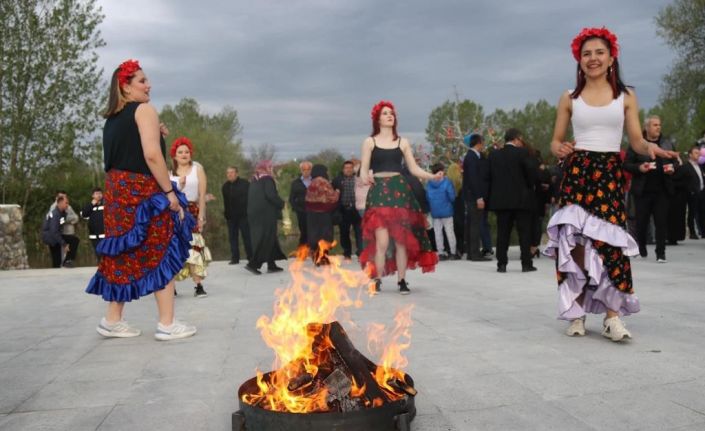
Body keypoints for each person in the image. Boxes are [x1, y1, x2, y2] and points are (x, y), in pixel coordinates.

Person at [545, 28, 677, 341]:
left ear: (610, 57)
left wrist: (651, 148)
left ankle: (612, 317)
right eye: (587, 53)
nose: (593, 58)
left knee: (611, 245)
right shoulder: (569, 97)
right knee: (575, 244)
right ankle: (575, 314)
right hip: (578, 173)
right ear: (580, 58)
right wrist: (559, 148)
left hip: (608, 174)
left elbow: (635, 140)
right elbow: (554, 141)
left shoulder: (626, 96)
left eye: (599, 52)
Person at [85, 59, 197, 341]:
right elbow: (150, 156)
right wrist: (169, 192)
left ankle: (112, 320)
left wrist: (156, 134)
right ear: (125, 87)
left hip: (116, 192)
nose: (149, 86)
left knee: (123, 250)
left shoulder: (111, 120)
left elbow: (127, 152)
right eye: (142, 81)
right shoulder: (144, 110)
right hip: (142, 190)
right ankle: (167, 323)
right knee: (162, 245)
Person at [359, 100, 441, 295]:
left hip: (399, 191)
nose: (390, 116)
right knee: (382, 242)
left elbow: (413, 169)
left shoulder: (402, 142)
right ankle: (377, 279)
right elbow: (363, 171)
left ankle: (402, 281)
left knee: (402, 240)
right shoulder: (369, 142)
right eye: (385, 113)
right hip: (379, 192)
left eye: (392, 113)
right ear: (377, 118)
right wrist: (366, 178)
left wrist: (432, 176)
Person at [623, 115, 677, 262]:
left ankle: (661, 253)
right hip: (643, 190)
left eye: (659, 125)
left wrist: (672, 168)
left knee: (661, 222)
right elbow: (626, 164)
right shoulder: (637, 144)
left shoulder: (667, 143)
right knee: (641, 222)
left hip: (662, 190)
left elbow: (676, 162)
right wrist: (640, 167)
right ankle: (641, 247)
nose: (658, 127)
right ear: (647, 127)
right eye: (654, 125)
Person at [487, 128, 538, 273]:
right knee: (524, 233)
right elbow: (530, 173)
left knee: (503, 233)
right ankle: (526, 263)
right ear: (516, 139)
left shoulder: (494, 155)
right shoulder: (523, 153)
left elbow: (489, 177)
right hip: (521, 200)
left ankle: (501, 264)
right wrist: (529, 187)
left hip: (501, 200)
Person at [169, 136, 212, 298]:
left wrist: (201, 217)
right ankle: (170, 286)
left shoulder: (197, 169)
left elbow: (202, 195)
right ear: (174, 155)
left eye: (187, 151)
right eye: (180, 152)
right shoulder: (168, 172)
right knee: (172, 249)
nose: (184, 154)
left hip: (192, 212)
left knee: (194, 248)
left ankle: (198, 285)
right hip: (174, 214)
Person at [246, 160, 286, 275]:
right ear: (266, 168)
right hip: (266, 214)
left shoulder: (254, 179)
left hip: (255, 214)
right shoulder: (267, 179)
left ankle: (271, 264)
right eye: (271, 167)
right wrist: (282, 203)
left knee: (270, 238)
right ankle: (253, 264)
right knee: (266, 238)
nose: (272, 169)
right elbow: (271, 195)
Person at [462, 133, 492, 262]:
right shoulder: (472, 157)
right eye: (482, 143)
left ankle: (471, 252)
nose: (483, 145)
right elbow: (474, 179)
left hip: (471, 195)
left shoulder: (472, 156)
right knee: (475, 224)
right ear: (478, 143)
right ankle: (474, 253)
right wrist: (479, 197)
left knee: (472, 224)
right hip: (474, 196)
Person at [306, 164, 340, 264]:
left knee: (314, 236)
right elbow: (333, 198)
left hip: (311, 215)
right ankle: (323, 258)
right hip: (324, 215)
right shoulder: (324, 182)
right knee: (325, 236)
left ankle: (316, 257)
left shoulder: (311, 183)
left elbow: (307, 199)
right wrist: (337, 191)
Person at [426, 162, 460, 261]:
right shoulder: (447, 182)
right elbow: (452, 197)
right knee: (449, 232)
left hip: (435, 212)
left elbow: (427, 197)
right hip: (447, 211)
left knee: (437, 233)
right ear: (441, 171)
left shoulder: (429, 183)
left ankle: (440, 253)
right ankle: (453, 252)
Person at [332, 160, 362, 260]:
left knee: (359, 232)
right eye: (346, 168)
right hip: (343, 210)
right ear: (343, 169)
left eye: (350, 168)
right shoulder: (337, 180)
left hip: (356, 209)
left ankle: (360, 252)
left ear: (353, 169)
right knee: (344, 233)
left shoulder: (358, 179)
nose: (348, 170)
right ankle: (347, 253)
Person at [222, 166, 252, 264]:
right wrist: (226, 214)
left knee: (247, 237)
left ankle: (251, 257)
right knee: (232, 238)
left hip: (243, 216)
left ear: (237, 173)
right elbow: (225, 202)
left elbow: (251, 199)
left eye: (232, 172)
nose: (230, 174)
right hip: (231, 217)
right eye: (228, 173)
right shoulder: (225, 187)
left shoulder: (245, 184)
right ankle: (235, 258)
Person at [49, 191, 80, 268]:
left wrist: (67, 219)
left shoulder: (68, 207)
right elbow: (59, 220)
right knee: (57, 259)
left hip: (68, 233)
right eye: (61, 197)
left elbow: (76, 217)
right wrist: (68, 220)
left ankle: (67, 261)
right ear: (57, 198)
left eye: (65, 197)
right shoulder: (53, 208)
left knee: (74, 242)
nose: (64, 199)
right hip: (56, 235)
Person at [42, 195, 69, 268]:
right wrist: (64, 244)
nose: (67, 205)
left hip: (56, 236)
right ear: (60, 203)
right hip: (51, 237)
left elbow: (60, 225)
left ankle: (68, 261)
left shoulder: (62, 213)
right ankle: (55, 273)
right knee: (56, 260)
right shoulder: (55, 214)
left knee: (74, 240)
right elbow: (54, 231)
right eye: (66, 203)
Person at [289, 161, 312, 247]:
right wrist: (297, 209)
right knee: (303, 231)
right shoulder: (296, 183)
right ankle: (302, 251)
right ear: (301, 170)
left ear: (311, 170)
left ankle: (314, 251)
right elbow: (291, 198)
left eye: (308, 169)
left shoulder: (315, 181)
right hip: (301, 211)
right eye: (304, 169)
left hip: (314, 211)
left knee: (313, 231)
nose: (306, 171)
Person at [685, 145, 705, 238]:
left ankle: (703, 231)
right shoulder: (686, 166)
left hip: (701, 192)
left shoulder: (700, 166)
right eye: (696, 153)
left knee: (702, 213)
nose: (698, 155)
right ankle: (692, 232)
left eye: (699, 153)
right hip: (692, 193)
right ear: (690, 155)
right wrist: (690, 190)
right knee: (692, 213)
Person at [80, 187, 105, 261]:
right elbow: (84, 214)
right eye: (96, 194)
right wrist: (91, 204)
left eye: (100, 193)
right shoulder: (89, 205)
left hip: (105, 235)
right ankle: (100, 268)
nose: (99, 195)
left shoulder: (106, 204)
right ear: (93, 196)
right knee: (98, 254)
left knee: (105, 254)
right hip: (94, 236)